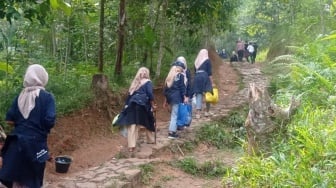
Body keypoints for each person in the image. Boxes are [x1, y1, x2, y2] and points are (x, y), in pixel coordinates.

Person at [0, 64, 56, 188]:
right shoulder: (47, 97)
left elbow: (9, 120)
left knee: (17, 181)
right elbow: (50, 121)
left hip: (16, 144)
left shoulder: (19, 97)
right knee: (33, 181)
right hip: (36, 146)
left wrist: (23, 124)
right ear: (43, 77)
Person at [115, 67, 156, 152]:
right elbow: (150, 94)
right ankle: (151, 140)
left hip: (132, 104)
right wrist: (152, 104)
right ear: (147, 74)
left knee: (132, 124)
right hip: (142, 105)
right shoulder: (148, 82)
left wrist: (125, 106)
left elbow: (129, 96)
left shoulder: (134, 83)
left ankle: (131, 146)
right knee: (148, 120)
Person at [163, 62, 188, 139]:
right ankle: (172, 133)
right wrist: (184, 97)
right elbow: (182, 87)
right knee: (174, 115)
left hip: (170, 98)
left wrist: (166, 100)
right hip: (176, 98)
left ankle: (172, 131)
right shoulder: (180, 76)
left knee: (173, 114)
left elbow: (165, 90)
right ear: (181, 69)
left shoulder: (169, 77)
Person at [192, 49, 214, 119]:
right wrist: (211, 82)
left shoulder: (196, 61)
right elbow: (209, 73)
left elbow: (195, 71)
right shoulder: (207, 61)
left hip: (197, 77)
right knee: (208, 93)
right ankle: (207, 111)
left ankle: (198, 113)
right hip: (205, 76)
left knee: (199, 94)